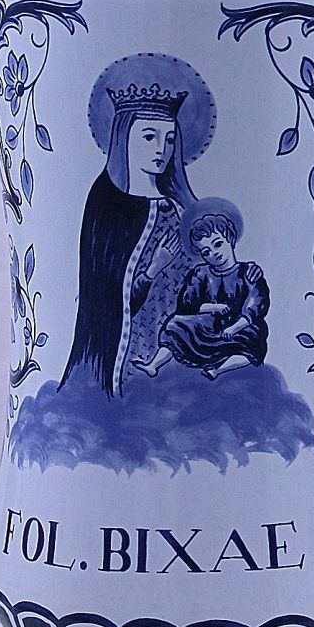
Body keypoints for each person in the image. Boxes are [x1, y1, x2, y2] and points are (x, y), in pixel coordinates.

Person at [59, 82, 197, 398]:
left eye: (169, 139)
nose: (161, 149)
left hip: (177, 346)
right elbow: (104, 301)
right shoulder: (106, 206)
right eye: (149, 137)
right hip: (124, 352)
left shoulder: (177, 209)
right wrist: (153, 270)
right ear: (124, 139)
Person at [137, 209, 270, 380]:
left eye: (218, 244)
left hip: (239, 327)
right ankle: (153, 365)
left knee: (251, 342)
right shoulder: (200, 273)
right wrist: (211, 307)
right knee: (174, 325)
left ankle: (216, 369)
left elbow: (256, 303)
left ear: (230, 239)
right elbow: (186, 305)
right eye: (206, 252)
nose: (214, 253)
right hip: (206, 328)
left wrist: (235, 327)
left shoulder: (248, 272)